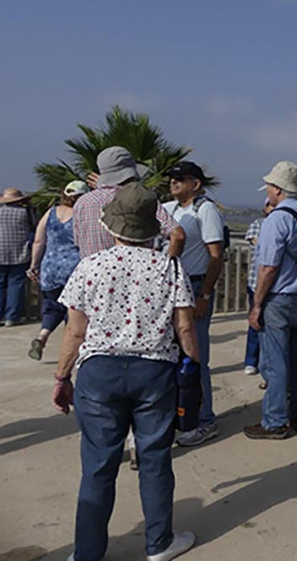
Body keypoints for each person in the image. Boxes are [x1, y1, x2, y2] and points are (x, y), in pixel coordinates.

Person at [51, 183, 199, 561]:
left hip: (99, 373)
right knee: (155, 460)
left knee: (98, 465)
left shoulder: (91, 266)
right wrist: (192, 369)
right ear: (152, 229)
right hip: (155, 372)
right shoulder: (170, 267)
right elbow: (185, 327)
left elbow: (75, 330)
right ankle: (159, 543)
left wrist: (62, 376)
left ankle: (87, 552)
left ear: (113, 227)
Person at [244, 161, 297, 440]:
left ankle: (274, 421)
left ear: (277, 189)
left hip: (278, 297)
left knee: (275, 363)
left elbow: (268, 267)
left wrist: (257, 304)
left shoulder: (277, 219)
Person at [163, 161, 226, 448]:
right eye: (172, 178)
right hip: (173, 287)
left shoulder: (206, 210)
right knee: (175, 356)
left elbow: (216, 255)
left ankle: (205, 419)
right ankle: (183, 414)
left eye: (180, 178)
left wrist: (205, 295)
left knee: (195, 357)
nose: (174, 182)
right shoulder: (170, 209)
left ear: (195, 184)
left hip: (195, 286)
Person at [72, 146, 185, 260]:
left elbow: (78, 243)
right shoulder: (138, 199)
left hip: (92, 273)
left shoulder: (82, 203)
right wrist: (168, 268)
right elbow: (178, 235)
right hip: (135, 274)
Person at [26, 181, 90, 360]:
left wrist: (34, 265)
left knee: (52, 307)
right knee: (74, 312)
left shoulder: (50, 213)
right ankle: (70, 351)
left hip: (50, 268)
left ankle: (42, 337)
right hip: (74, 268)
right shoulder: (81, 215)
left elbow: (39, 241)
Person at [243, 198, 274, 376]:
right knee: (255, 322)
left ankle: (264, 360)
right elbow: (259, 244)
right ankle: (251, 360)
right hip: (256, 282)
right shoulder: (258, 224)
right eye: (269, 205)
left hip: (274, 284)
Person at [0, 188, 36, 327]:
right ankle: (12, 317)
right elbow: (34, 226)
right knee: (16, 285)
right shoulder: (25, 212)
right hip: (20, 253)